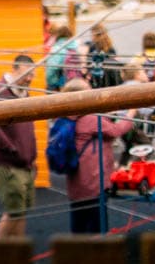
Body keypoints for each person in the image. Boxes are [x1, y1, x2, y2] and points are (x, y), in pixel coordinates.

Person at [60, 77, 135, 234]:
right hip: (93, 180)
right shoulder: (90, 119)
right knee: (97, 224)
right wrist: (131, 114)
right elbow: (116, 130)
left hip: (76, 180)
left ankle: (76, 253)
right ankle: (98, 254)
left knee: (79, 221)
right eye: (89, 92)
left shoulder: (68, 116)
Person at [0, 55, 37, 239]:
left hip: (24, 163)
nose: (30, 78)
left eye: (33, 74)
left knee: (21, 212)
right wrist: (11, 149)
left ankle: (18, 257)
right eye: (27, 73)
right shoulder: (1, 92)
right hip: (9, 164)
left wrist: (30, 154)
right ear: (15, 69)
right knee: (13, 213)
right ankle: (1, 259)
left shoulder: (23, 91)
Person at [44, 24, 78, 91]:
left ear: (58, 35)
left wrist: (48, 81)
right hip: (73, 82)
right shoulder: (75, 47)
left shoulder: (57, 48)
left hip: (57, 85)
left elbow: (51, 69)